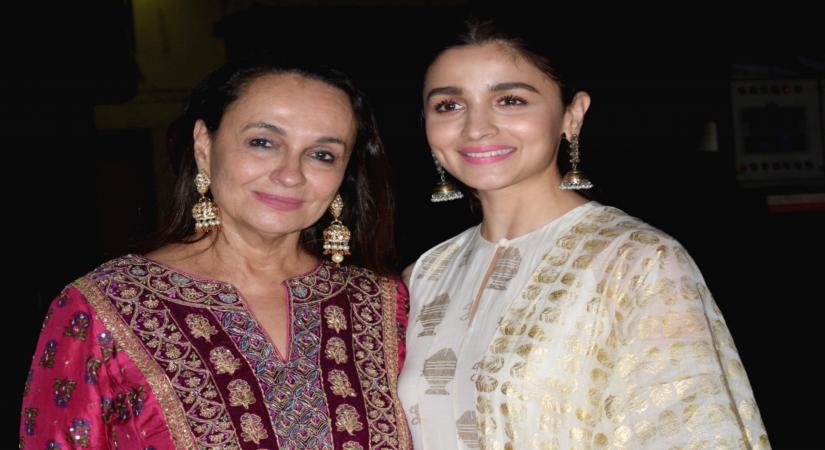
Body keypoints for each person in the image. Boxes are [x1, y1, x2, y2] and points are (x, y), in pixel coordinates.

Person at [398, 21, 769, 449]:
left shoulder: (637, 262)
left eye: (510, 100)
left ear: (572, 115)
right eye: (448, 105)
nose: (476, 127)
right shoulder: (424, 275)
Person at [20, 57, 410, 449]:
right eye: (263, 142)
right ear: (204, 146)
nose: (290, 174)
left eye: (322, 154)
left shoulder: (382, 303)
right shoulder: (106, 304)